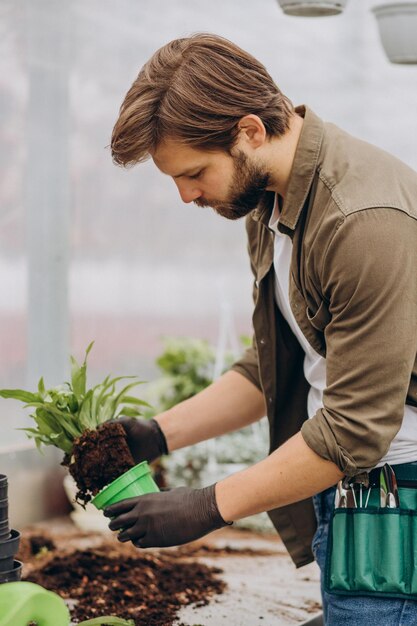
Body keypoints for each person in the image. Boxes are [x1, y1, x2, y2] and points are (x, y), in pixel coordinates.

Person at [104, 33, 417, 625]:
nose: (185, 194)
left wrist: (209, 506)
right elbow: (279, 361)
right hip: (354, 489)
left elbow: (355, 430)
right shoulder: (268, 203)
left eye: (195, 172)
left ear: (249, 130)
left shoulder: (361, 220)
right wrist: (158, 434)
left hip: (398, 494)